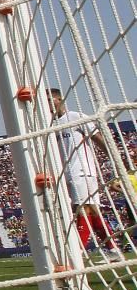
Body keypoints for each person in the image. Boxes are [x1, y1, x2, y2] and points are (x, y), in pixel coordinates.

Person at [47, 89, 119, 259]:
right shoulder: (51, 125)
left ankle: (78, 252)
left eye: (50, 99)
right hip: (67, 174)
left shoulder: (76, 117)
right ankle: (113, 249)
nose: (48, 103)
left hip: (83, 171)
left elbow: (97, 138)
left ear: (59, 99)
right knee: (92, 211)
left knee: (82, 210)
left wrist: (114, 158)